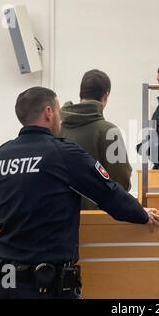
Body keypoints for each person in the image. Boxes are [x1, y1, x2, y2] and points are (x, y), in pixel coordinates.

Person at [0, 87, 159, 299]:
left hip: (6, 286)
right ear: (48, 112)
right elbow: (108, 193)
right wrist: (140, 213)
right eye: (58, 110)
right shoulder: (63, 154)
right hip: (48, 288)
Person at [61, 69, 132, 210]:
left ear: (80, 93)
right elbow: (121, 180)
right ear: (106, 96)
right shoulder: (109, 131)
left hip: (60, 214)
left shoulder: (56, 128)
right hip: (97, 216)